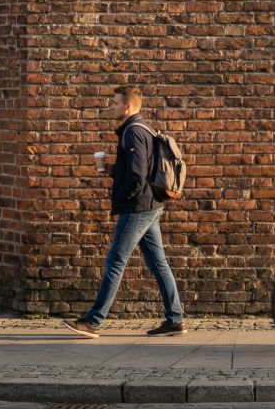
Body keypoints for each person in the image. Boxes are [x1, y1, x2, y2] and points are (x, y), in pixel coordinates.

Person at [63, 86, 186, 339]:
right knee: (158, 263)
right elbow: (137, 169)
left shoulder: (132, 133)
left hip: (138, 208)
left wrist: (123, 198)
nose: (112, 106)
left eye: (115, 102)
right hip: (151, 205)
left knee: (115, 261)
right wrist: (111, 169)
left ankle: (94, 321)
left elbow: (137, 176)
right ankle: (175, 319)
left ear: (128, 107)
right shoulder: (143, 129)